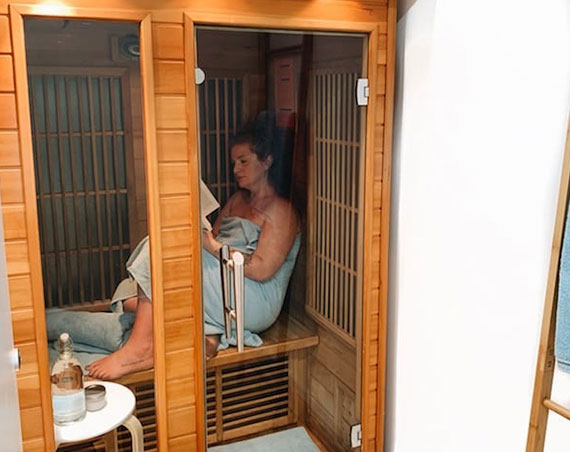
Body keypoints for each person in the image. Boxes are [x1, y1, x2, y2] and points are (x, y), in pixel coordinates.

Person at [87, 115, 300, 378]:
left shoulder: (281, 211)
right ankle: (207, 333)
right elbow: (212, 239)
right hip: (224, 277)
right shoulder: (237, 200)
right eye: (234, 163)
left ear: (267, 161)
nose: (236, 169)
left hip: (253, 296)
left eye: (243, 161)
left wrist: (211, 245)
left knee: (158, 254)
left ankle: (140, 348)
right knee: (132, 293)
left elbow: (261, 269)